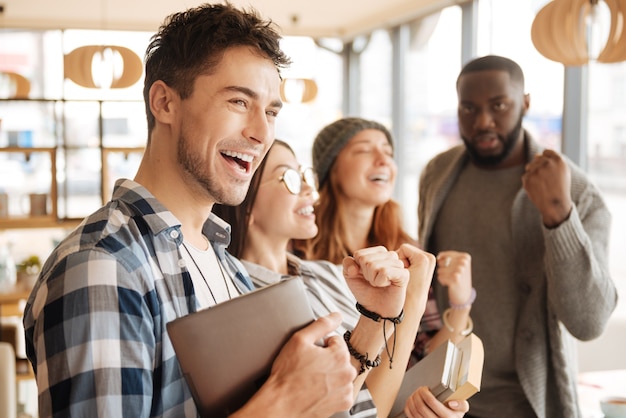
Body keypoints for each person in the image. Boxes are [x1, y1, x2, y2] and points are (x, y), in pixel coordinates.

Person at [22, 4, 363, 417]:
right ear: (164, 102)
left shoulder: (226, 264)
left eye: (271, 111)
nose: (261, 133)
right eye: (239, 101)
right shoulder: (102, 266)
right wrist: (283, 404)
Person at [417, 55, 618, 418]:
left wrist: (559, 216)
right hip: (444, 400)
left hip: (531, 404)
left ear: (525, 102)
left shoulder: (577, 191)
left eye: (499, 105)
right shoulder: (438, 175)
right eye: (468, 108)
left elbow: (589, 323)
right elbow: (426, 292)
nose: (483, 122)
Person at [213, 139, 470, 417]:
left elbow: (379, 388)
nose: (311, 190)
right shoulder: (237, 298)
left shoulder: (328, 273)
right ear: (245, 201)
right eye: (289, 177)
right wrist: (412, 303)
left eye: (305, 175)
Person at [292, 117, 475, 365]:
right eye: (364, 150)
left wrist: (460, 304)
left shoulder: (409, 255)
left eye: (388, 152)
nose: (384, 160)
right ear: (331, 168)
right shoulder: (295, 250)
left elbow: (426, 359)